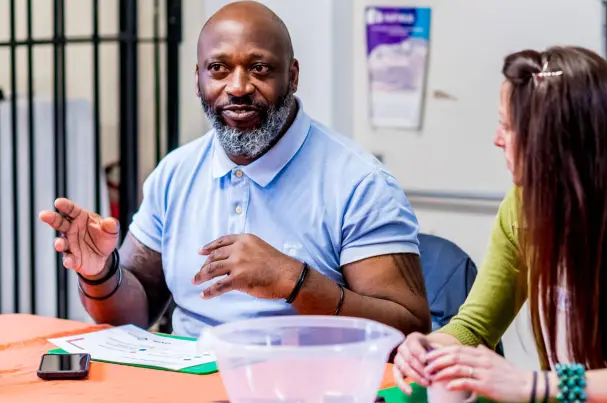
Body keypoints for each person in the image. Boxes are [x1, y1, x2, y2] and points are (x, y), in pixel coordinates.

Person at [38, 1, 430, 338]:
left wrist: (295, 282)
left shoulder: (359, 183)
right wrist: (99, 273)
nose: (238, 87)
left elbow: (409, 329)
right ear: (198, 79)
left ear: (291, 76)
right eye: (219, 69)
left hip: (305, 390)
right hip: (185, 389)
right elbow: (136, 311)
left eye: (259, 68)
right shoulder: (175, 173)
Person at [393, 46, 607, 403]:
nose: (498, 139)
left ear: (553, 143)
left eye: (508, 125)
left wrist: (530, 384)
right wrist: (428, 347)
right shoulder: (521, 209)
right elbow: (474, 329)